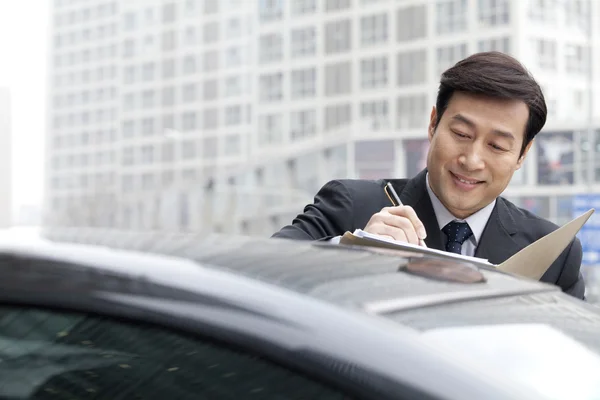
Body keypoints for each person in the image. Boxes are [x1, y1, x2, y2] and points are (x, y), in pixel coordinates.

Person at [271, 52, 585, 300]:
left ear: (523, 154)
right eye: (461, 133)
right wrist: (348, 252)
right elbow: (255, 272)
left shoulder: (554, 252)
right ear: (433, 123)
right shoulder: (351, 205)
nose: (472, 160)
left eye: (497, 145)